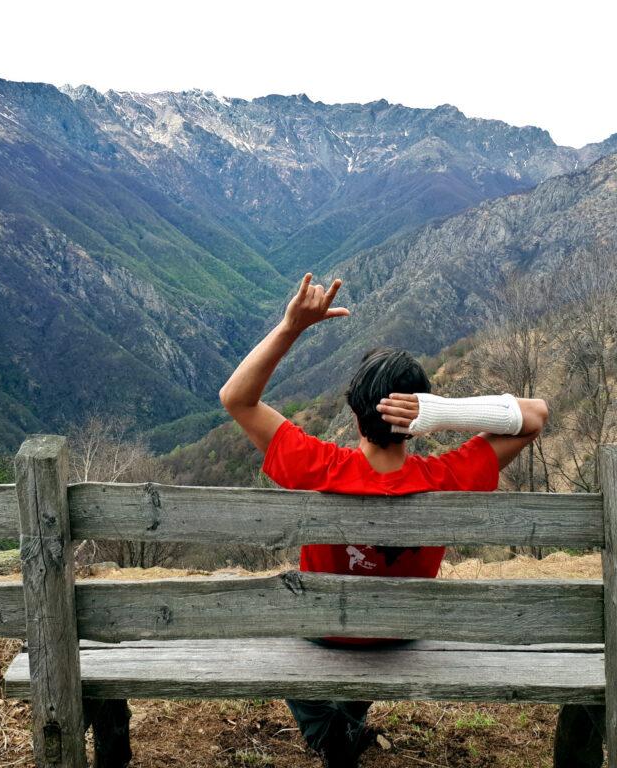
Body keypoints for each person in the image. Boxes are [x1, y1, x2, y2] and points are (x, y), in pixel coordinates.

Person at [219, 273, 550, 767]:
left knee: (286, 621)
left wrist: (291, 327)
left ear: (354, 417)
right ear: (418, 427)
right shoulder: (447, 477)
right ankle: (346, 723)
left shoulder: (320, 468)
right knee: (343, 628)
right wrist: (441, 412)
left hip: (323, 629)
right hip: (401, 631)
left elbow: (236, 398)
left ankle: (329, 733)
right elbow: (536, 415)